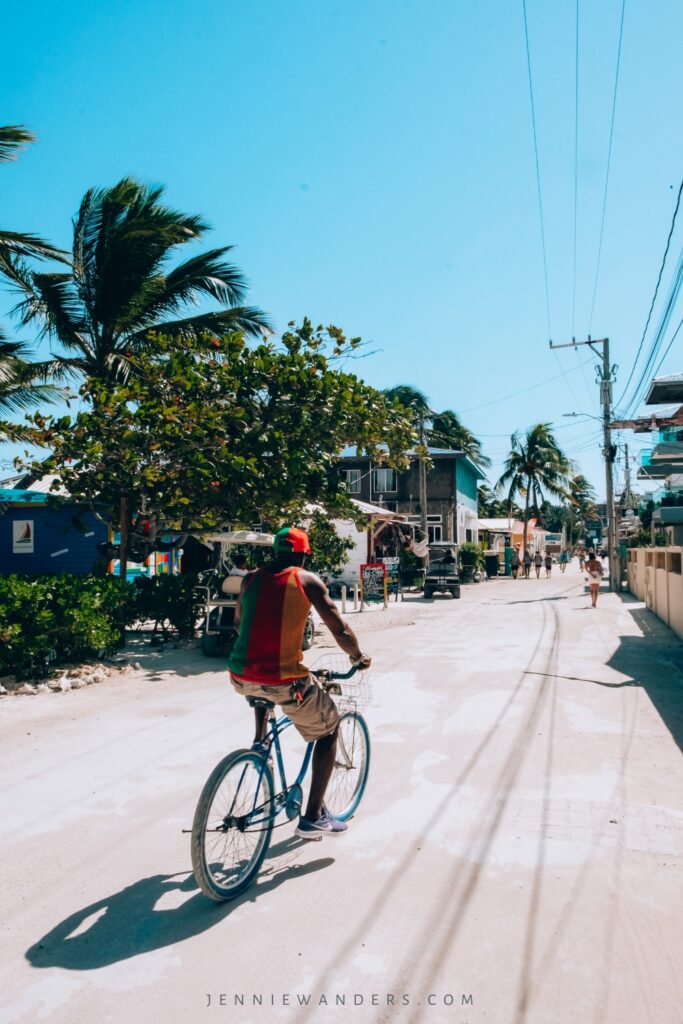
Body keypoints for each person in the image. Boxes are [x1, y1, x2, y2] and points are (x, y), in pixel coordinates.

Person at [228, 526, 370, 838]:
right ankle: (313, 817)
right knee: (329, 728)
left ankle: (259, 741)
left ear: (275, 552)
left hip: (239, 675)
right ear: (304, 555)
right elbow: (339, 628)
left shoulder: (250, 578)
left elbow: (239, 622)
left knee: (262, 687)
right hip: (283, 679)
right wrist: (357, 656)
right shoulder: (305, 580)